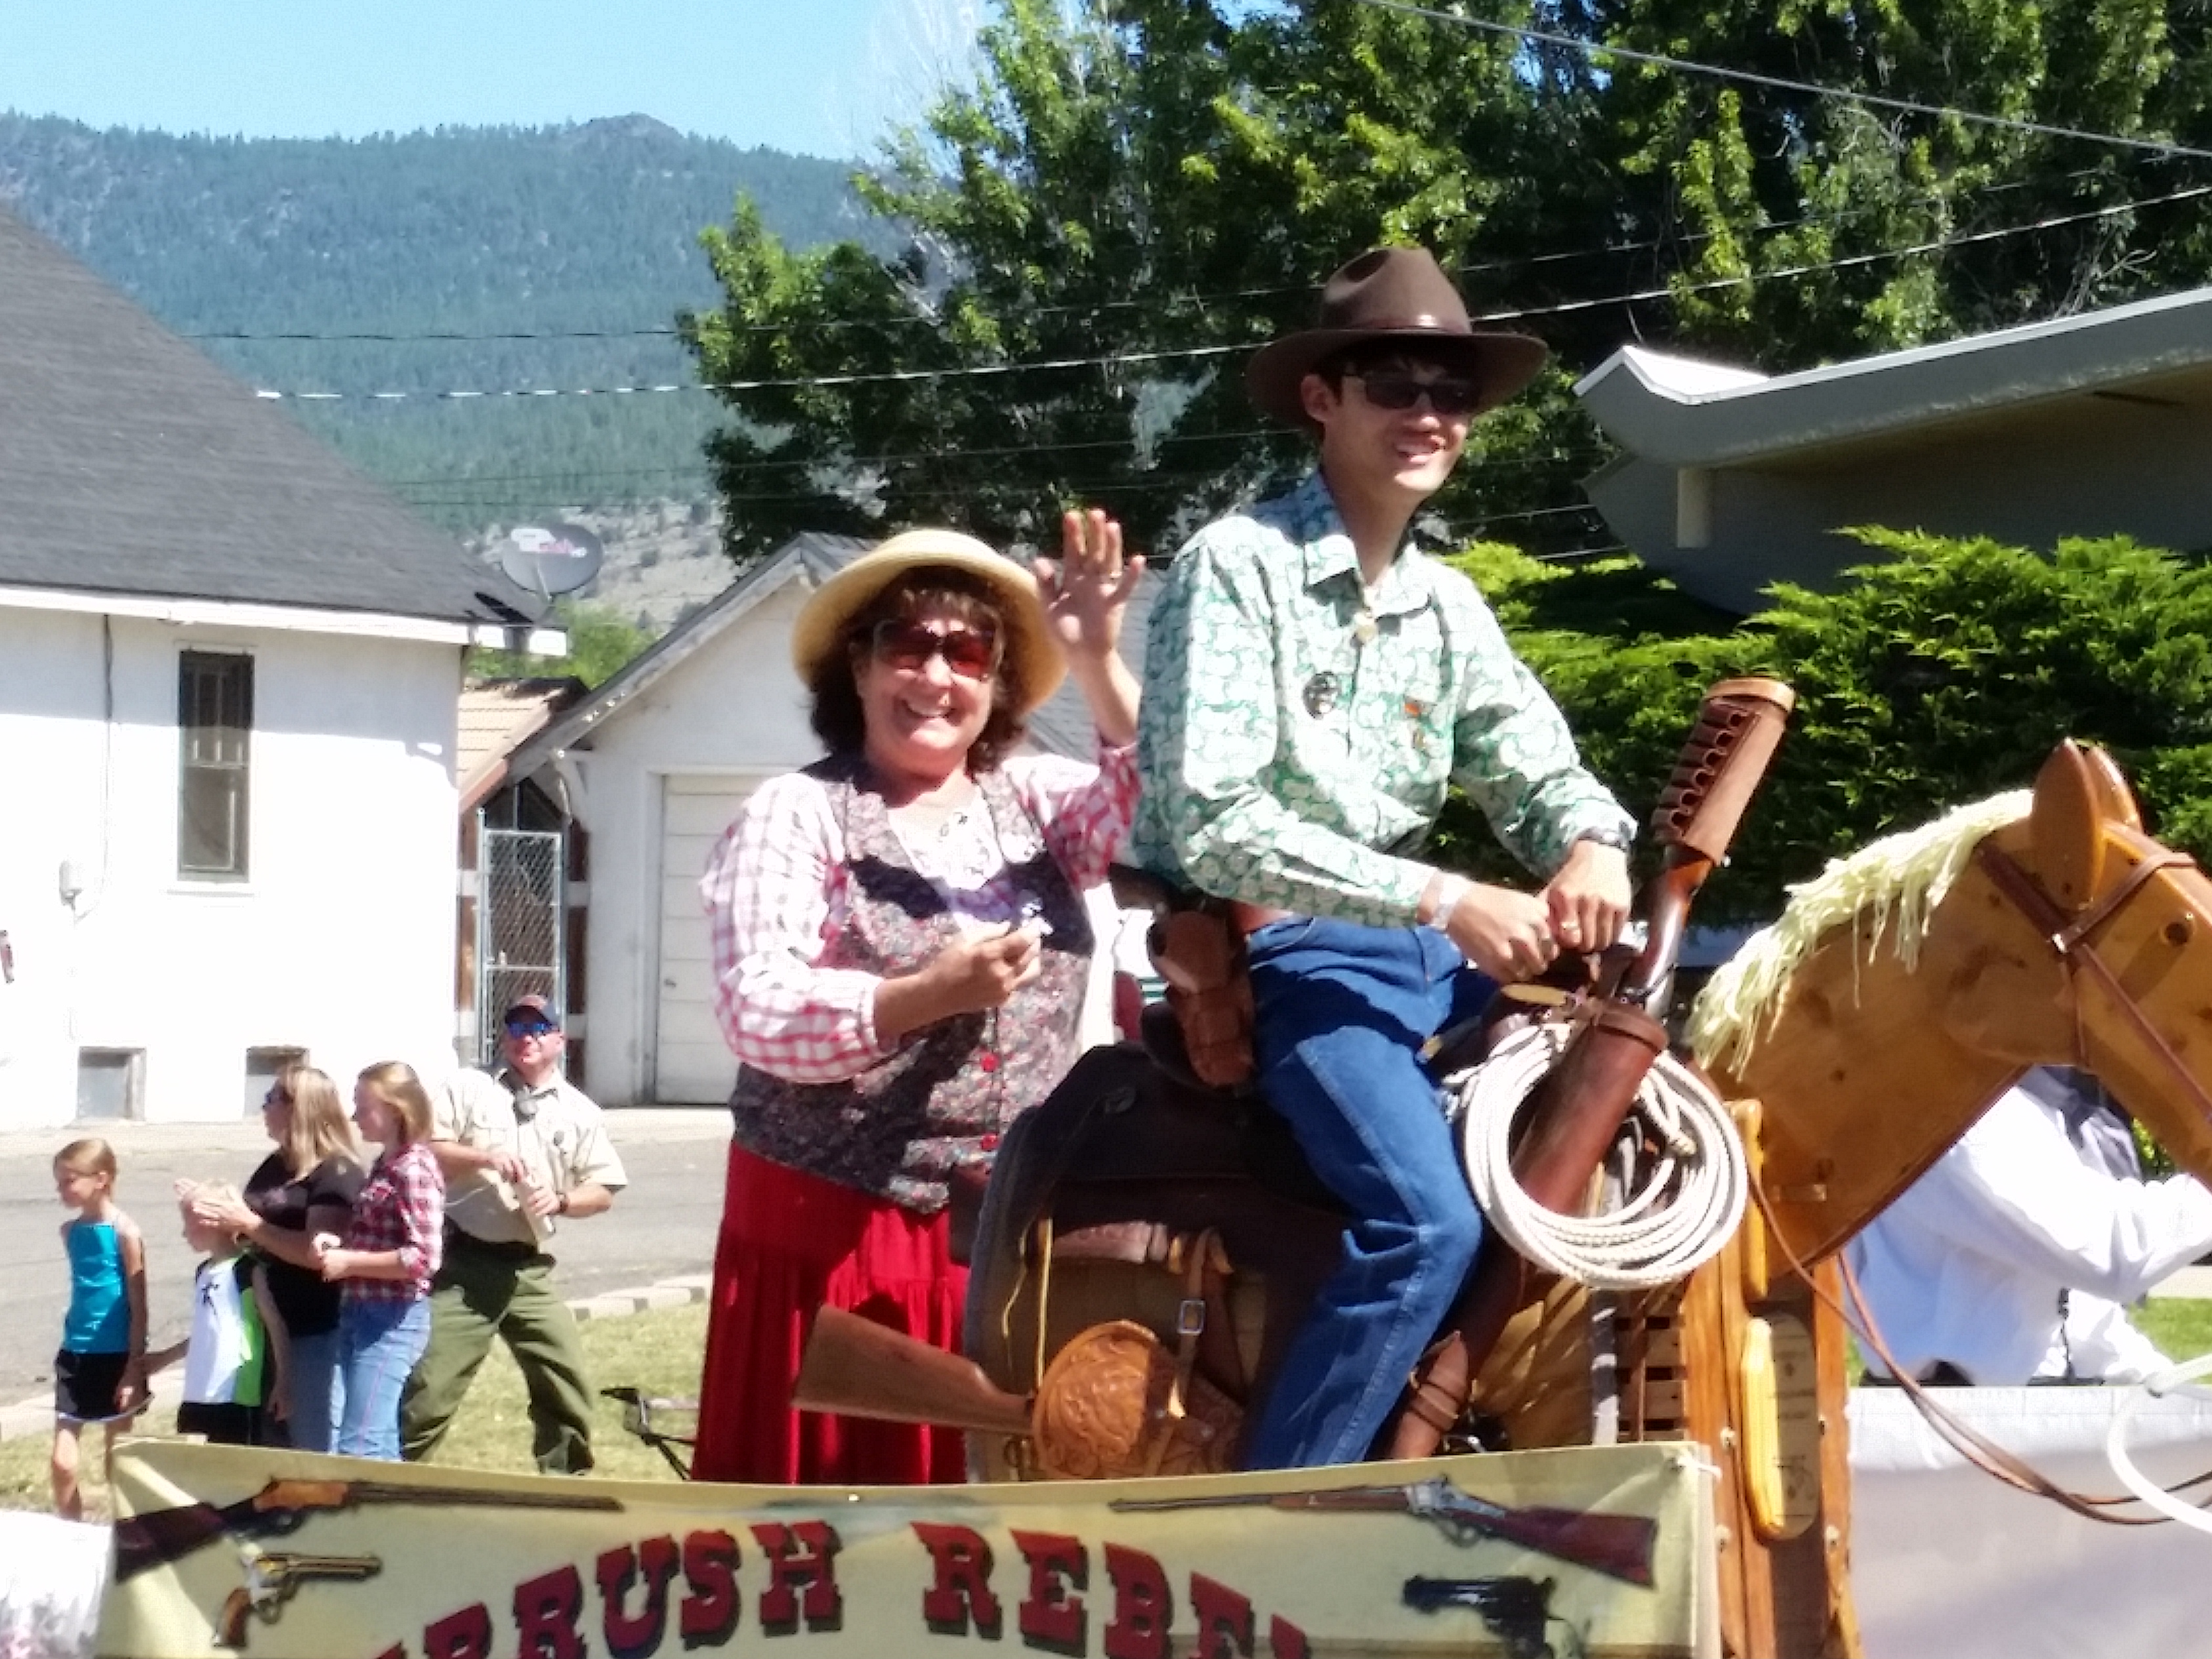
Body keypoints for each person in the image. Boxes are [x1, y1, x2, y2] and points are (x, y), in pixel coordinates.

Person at [1139, 246, 1638, 1471]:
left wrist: (1592, 840)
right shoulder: (1233, 566)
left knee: (1635, 1119)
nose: (1429, 414)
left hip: (1419, 951)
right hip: (1284, 948)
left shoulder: (1450, 605)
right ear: (1324, 398)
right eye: (1395, 384)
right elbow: (1212, 818)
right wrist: (1446, 893)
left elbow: (1535, 763)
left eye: (1452, 393)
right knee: (1420, 1218)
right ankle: (1275, 1511)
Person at [699, 509, 1142, 1485]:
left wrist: (1101, 654)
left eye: (968, 651)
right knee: (836, 1534)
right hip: (833, 1233)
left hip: (1006, 1220)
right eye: (909, 644)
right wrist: (920, 996)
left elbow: (1165, 810)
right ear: (857, 668)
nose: (937, 676)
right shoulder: (798, 811)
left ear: (998, 681)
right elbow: (759, 1012)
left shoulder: (1034, 799)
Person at [1843, 1068, 2212, 1387]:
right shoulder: (1952, 1108)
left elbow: (2080, 1315)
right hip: (1979, 1439)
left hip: (2028, 1418)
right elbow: (2116, 1250)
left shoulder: (2026, 1100)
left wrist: (2165, 1387)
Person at [400, 994, 630, 1471]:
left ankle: (566, 1485)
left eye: (538, 1029)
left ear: (559, 1040)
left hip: (528, 1269)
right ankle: (384, 1477)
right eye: (517, 1028)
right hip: (465, 1265)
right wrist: (485, 1158)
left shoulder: (580, 1110)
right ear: (504, 1036)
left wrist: (562, 1201)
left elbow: (604, 1188)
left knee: (565, 1379)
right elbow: (427, 1150)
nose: (526, 1038)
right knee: (430, 1389)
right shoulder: (468, 1087)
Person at [189, 1062, 365, 1450]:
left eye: (271, 1099)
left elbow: (316, 1253)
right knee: (265, 1440)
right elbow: (248, 1225)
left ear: (298, 1107)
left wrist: (250, 1224)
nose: (263, 1107)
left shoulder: (337, 1173)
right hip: (263, 1325)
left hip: (314, 1328)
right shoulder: (277, 1165)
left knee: (311, 1440)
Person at [308, 1062, 444, 1461]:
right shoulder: (387, 1163)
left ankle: (363, 1521)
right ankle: (396, 1520)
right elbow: (385, 1235)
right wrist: (342, 1243)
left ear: (397, 1110)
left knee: (360, 1443)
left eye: (363, 1107)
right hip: (364, 1309)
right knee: (376, 1438)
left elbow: (423, 1258)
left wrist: (350, 1262)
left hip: (393, 1317)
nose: (354, 1117)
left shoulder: (414, 1168)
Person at [48, 1138, 146, 1519]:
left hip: (116, 1355)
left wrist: (133, 1368)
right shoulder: (69, 1232)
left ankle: (124, 1532)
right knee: (62, 1463)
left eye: (69, 1181)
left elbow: (139, 1304)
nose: (61, 1190)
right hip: (75, 1353)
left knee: (116, 1460)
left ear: (101, 1179)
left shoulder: (125, 1232)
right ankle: (72, 1529)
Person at [172, 1181, 282, 1446]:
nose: (184, 1233)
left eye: (189, 1222)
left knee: (233, 1469)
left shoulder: (247, 1270)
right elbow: (205, 1330)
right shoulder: (203, 1271)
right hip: (198, 1390)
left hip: (235, 1391)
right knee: (193, 1466)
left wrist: (284, 1382)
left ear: (211, 1222)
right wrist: (164, 1358)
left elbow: (275, 1327)